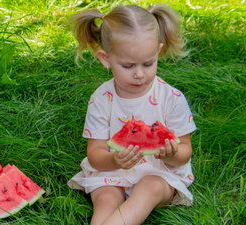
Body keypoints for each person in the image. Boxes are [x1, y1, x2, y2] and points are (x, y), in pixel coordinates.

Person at [67, 4, 197, 225]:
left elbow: (185, 152)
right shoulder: (101, 99)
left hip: (160, 174)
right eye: (128, 66)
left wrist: (171, 154)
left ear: (158, 51)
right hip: (112, 171)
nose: (139, 74)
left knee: (149, 187)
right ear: (105, 59)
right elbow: (95, 154)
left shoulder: (172, 97)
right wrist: (113, 159)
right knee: (107, 197)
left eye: (148, 63)